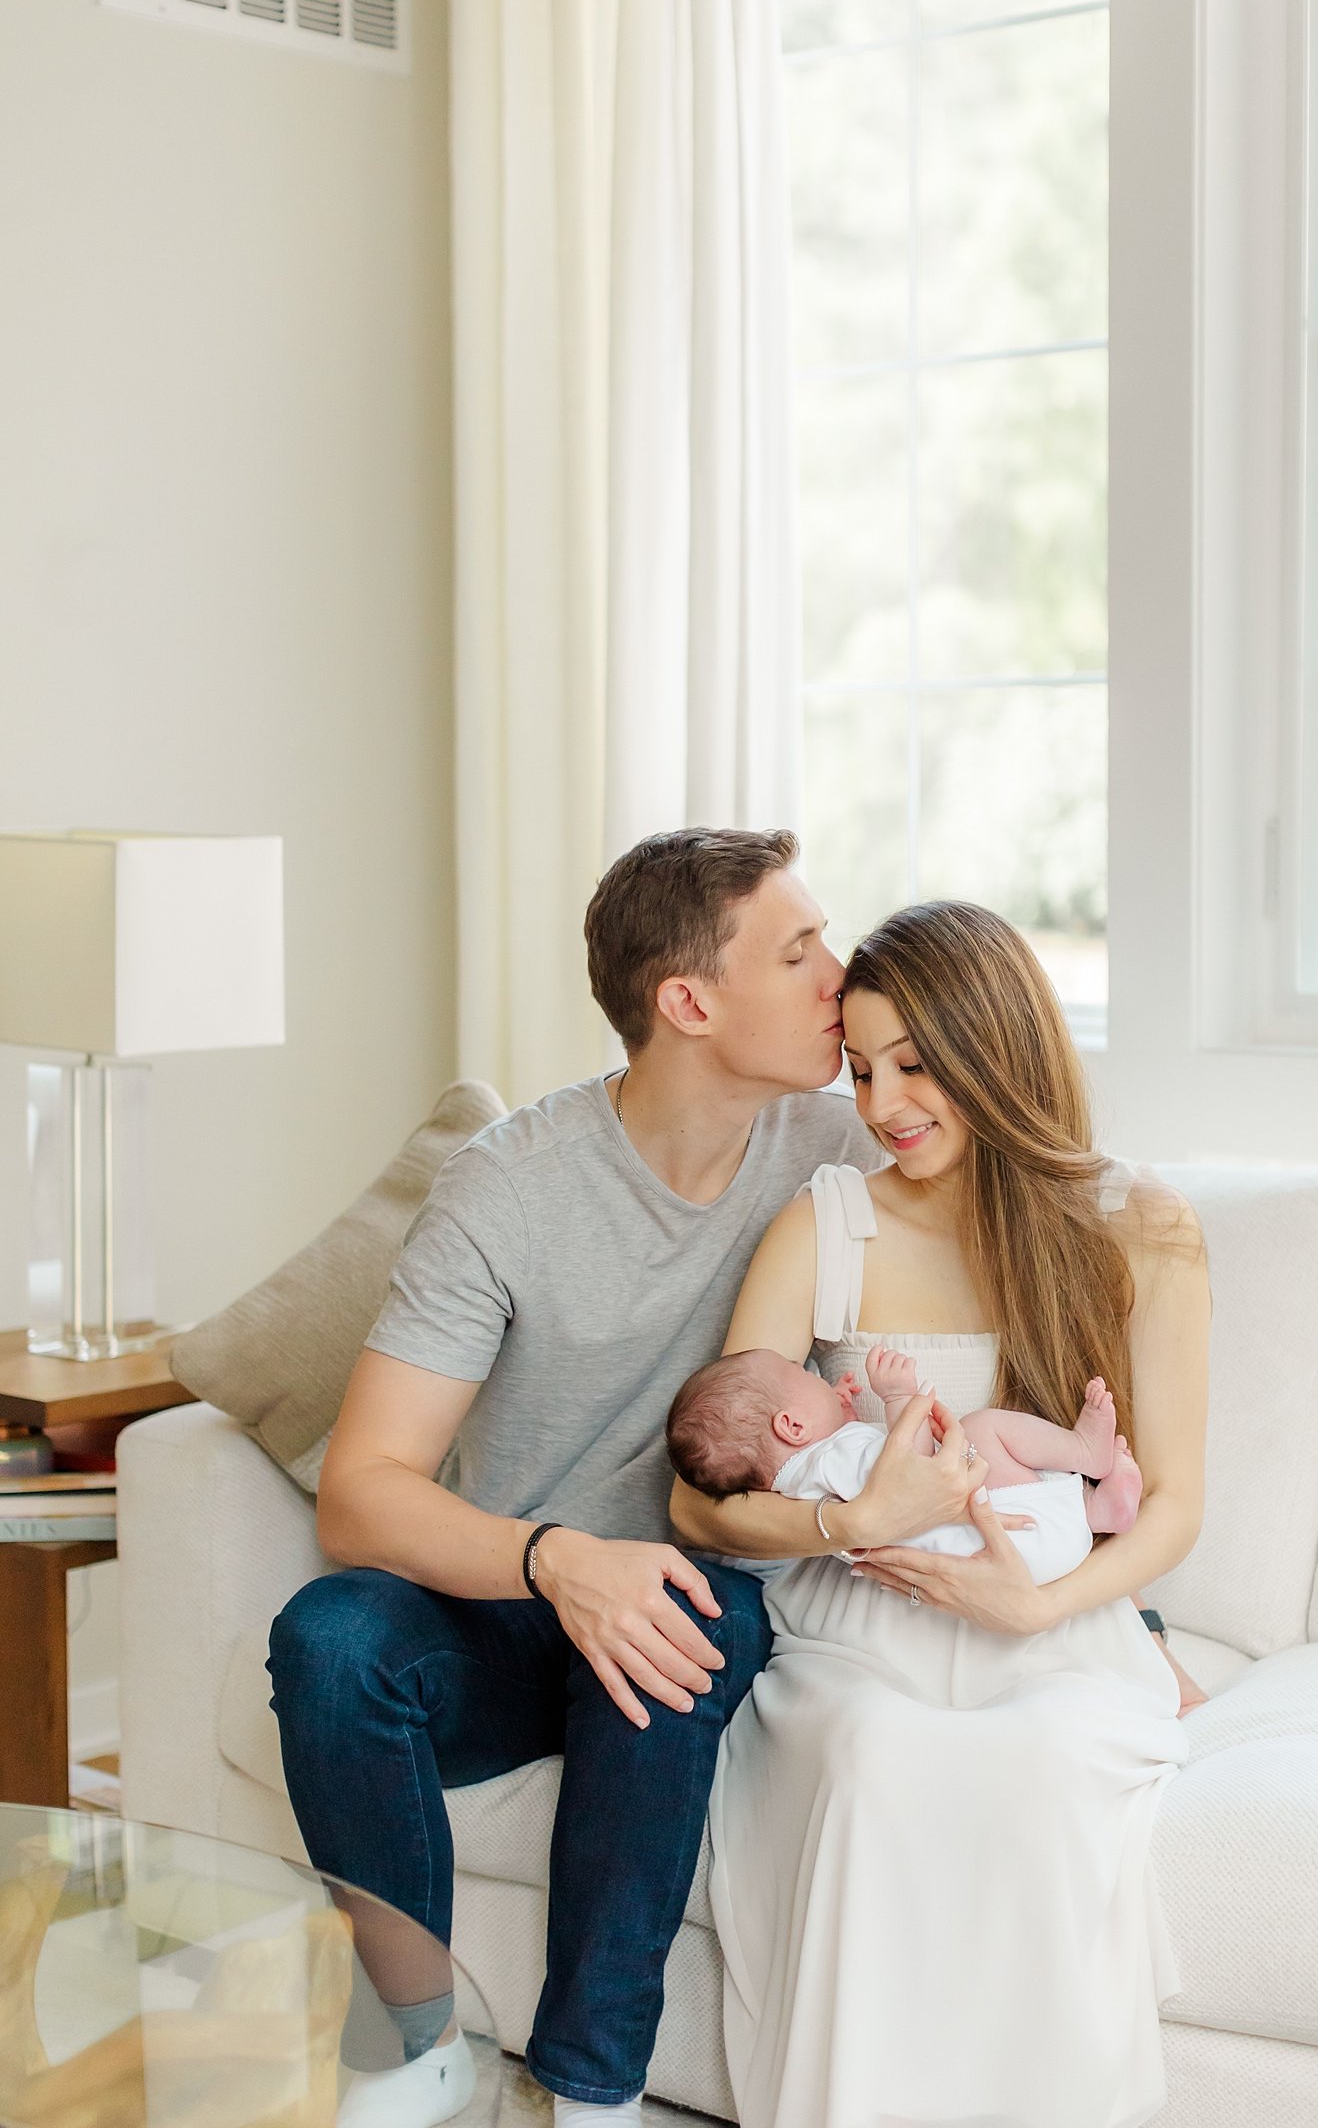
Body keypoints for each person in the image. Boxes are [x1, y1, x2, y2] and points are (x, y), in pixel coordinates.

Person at [266, 827, 929, 2128]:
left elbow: (999, 1305)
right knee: (331, 1636)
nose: (838, 973)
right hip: (507, 1602)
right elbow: (363, 1490)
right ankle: (413, 2044)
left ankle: (588, 2086)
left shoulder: (842, 1153)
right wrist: (558, 1557)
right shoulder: (506, 1187)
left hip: (701, 1591)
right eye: (798, 951)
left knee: (671, 1615)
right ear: (688, 1001)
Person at [669, 900, 1212, 2128]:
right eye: (861, 1068)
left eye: (915, 1064)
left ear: (997, 1049)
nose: (882, 1102)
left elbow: (1173, 1504)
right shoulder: (830, 1224)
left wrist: (1040, 1603)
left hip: (1044, 1613)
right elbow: (695, 1498)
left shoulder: (1142, 1226)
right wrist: (848, 1519)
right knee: (874, 1761)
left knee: (1047, 1772)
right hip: (863, 1618)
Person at [666, 1342, 1143, 1563]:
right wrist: (897, 1399)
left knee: (989, 1459)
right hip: (1004, 1547)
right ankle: (1084, 1453)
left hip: (1011, 1550)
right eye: (806, 1377)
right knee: (983, 1427)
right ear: (792, 1426)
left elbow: (867, 1471)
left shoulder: (807, 1477)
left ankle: (1093, 1509)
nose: (819, 1379)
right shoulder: (833, 1459)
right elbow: (912, 1475)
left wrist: (842, 1413)